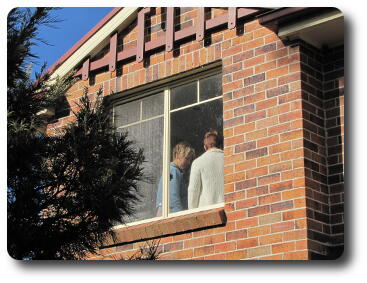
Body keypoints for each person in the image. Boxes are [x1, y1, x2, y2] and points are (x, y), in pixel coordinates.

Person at [156, 142, 195, 216]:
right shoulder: (173, 171)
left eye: (190, 159)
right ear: (177, 155)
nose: (189, 162)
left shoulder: (171, 170)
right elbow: (173, 197)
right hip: (171, 212)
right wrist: (181, 216)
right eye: (186, 158)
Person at [188, 130, 224, 209]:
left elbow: (193, 191)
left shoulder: (198, 162)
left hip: (206, 213)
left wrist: (192, 214)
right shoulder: (228, 160)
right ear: (220, 145)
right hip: (228, 211)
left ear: (205, 147)